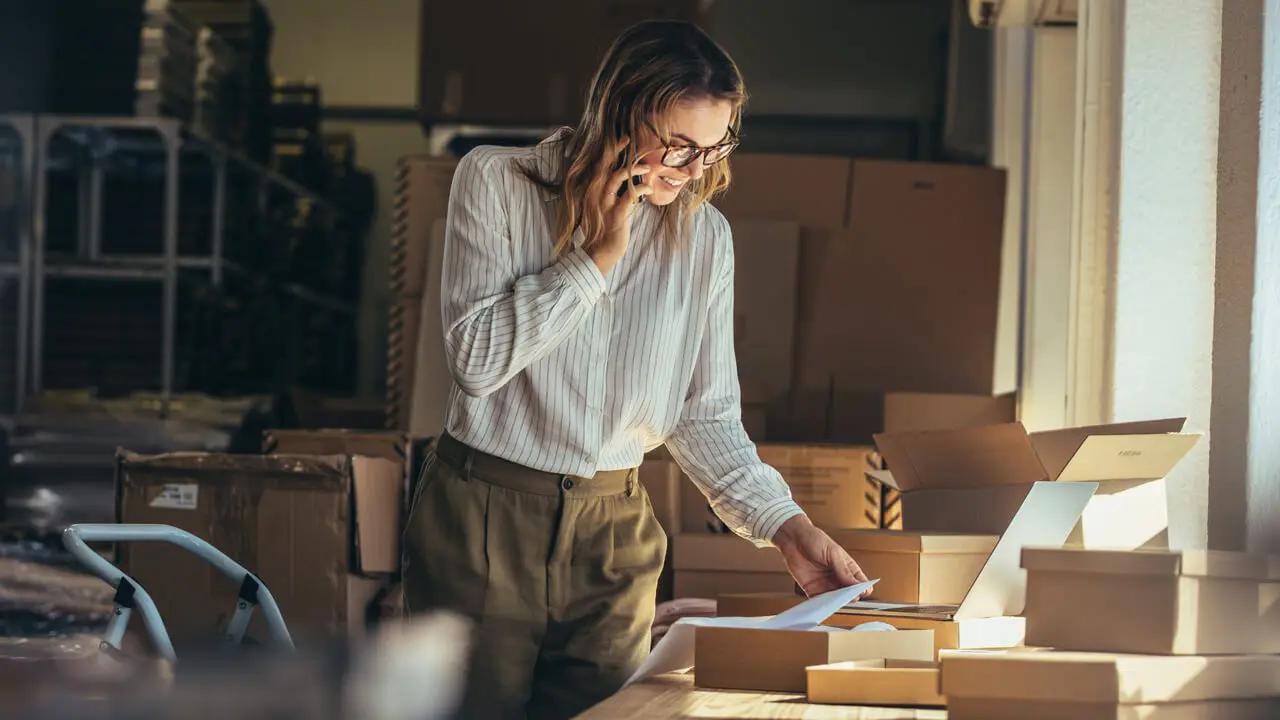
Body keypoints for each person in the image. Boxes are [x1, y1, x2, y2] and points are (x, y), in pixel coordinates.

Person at [402, 19, 868, 720]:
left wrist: (787, 527)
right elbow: (476, 361)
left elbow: (703, 416)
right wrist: (596, 258)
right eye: (679, 146)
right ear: (618, 113)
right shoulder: (496, 181)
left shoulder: (706, 238)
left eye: (715, 148)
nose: (696, 171)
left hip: (615, 533)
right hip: (482, 519)